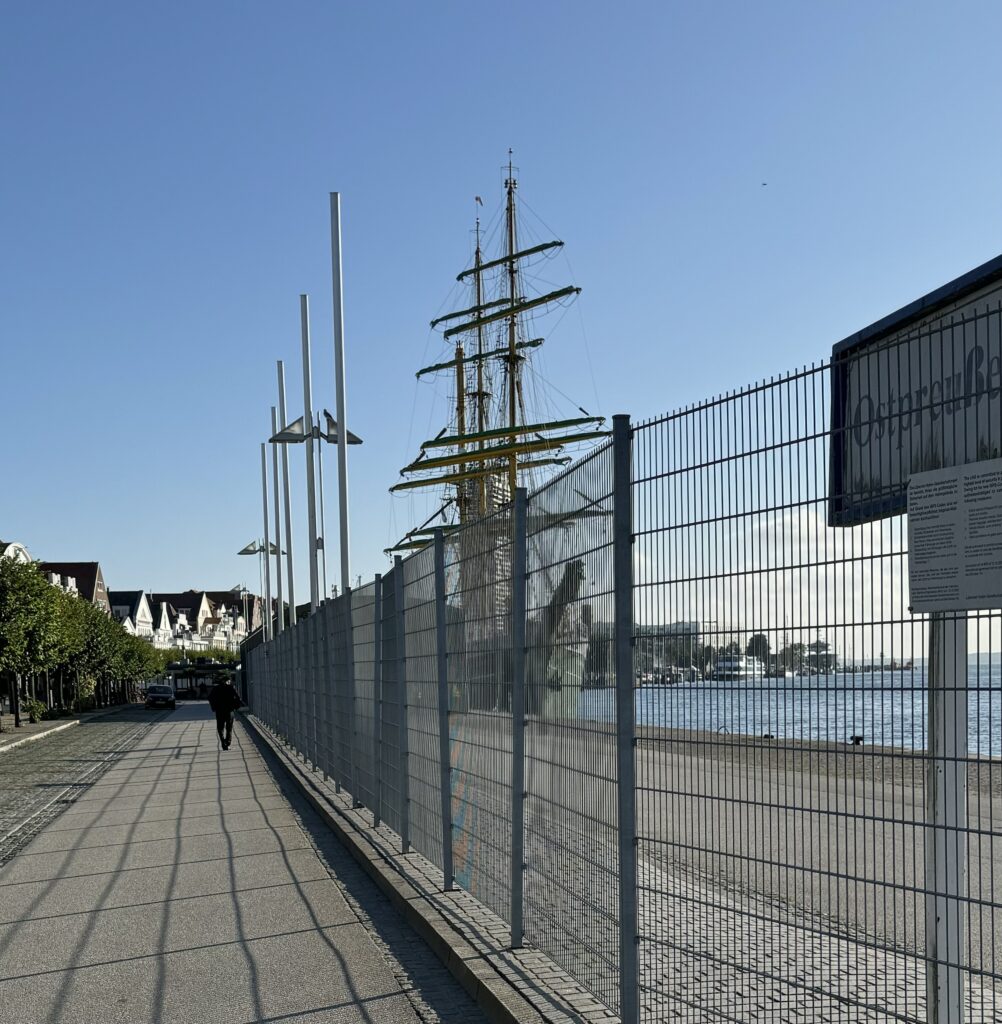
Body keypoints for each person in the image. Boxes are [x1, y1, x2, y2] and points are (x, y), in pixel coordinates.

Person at [208, 677, 243, 750]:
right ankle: (228, 742)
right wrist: (236, 707)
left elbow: (210, 698)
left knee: (220, 727)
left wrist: (214, 707)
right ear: (227, 681)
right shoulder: (230, 688)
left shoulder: (215, 689)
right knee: (229, 727)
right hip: (229, 710)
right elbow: (238, 698)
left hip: (219, 711)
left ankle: (223, 743)